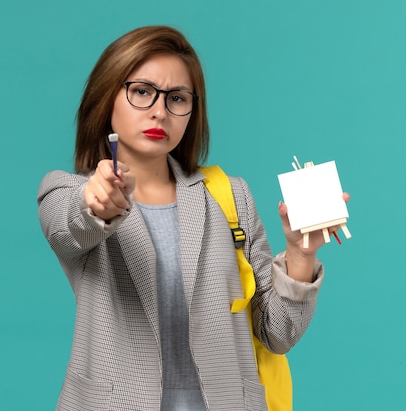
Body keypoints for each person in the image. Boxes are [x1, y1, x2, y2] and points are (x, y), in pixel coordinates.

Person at [37, 25, 349, 411]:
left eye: (177, 98)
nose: (159, 111)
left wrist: (301, 255)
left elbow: (276, 334)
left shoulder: (231, 196)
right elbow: (68, 226)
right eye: (141, 91)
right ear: (107, 98)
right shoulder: (65, 190)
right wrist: (98, 204)